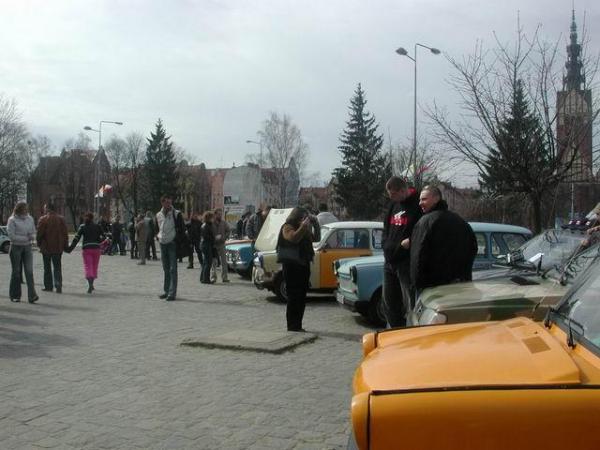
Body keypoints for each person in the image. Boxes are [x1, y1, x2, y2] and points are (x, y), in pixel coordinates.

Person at [410, 185, 478, 292]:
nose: (420, 203)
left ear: (436, 199)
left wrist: (416, 284)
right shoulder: (460, 221)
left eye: (424, 199)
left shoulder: (425, 222)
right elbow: (473, 248)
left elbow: (417, 256)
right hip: (460, 285)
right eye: (420, 200)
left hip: (432, 286)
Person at [381, 177, 422, 328]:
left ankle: (411, 333)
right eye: (390, 194)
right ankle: (395, 331)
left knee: (410, 304)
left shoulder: (417, 204)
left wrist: (406, 244)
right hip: (389, 261)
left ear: (403, 190)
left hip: (405, 263)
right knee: (389, 303)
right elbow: (386, 228)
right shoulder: (393, 205)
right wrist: (385, 245)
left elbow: (421, 230)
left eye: (393, 194)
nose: (391, 197)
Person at [276, 207, 319, 332]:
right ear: (297, 217)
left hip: (303, 266)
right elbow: (293, 238)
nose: (305, 219)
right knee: (293, 297)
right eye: (303, 217)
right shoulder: (287, 227)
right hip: (291, 267)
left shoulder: (303, 228)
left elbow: (316, 238)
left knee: (301, 296)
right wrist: (303, 226)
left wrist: (315, 224)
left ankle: (298, 325)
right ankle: (292, 326)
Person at [66, 212, 106, 294]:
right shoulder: (98, 226)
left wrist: (70, 249)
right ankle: (92, 284)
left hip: (87, 249)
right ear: (93, 218)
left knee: (88, 266)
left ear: (85, 218)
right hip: (96, 249)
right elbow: (104, 237)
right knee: (94, 266)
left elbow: (76, 238)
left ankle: (90, 284)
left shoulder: (82, 226)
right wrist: (98, 241)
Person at [7, 201, 39, 303]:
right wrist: (25, 238)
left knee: (29, 271)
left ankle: (32, 296)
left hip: (27, 247)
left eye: (26, 209)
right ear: (19, 209)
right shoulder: (12, 220)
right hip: (15, 247)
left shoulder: (30, 219)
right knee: (16, 272)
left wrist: (32, 236)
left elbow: (33, 231)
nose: (26, 210)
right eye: (24, 209)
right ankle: (15, 295)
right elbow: (12, 236)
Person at [156, 195, 185, 301]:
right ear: (162, 203)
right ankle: (166, 290)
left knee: (173, 269)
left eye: (170, 202)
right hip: (162, 243)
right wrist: (158, 236)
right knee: (166, 268)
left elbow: (182, 228)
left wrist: (176, 240)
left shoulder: (176, 214)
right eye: (167, 202)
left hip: (172, 243)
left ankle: (172, 293)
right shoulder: (158, 215)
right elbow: (157, 228)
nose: (169, 204)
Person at [36, 203, 69, 293]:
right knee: (57, 267)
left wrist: (39, 244)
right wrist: (65, 245)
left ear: (48, 209)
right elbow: (65, 234)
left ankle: (48, 286)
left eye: (45, 208)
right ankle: (58, 285)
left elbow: (39, 234)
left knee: (47, 268)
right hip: (58, 247)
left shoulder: (43, 219)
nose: (44, 210)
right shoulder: (61, 219)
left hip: (46, 247)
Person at [212, 208, 231, 282]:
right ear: (215, 214)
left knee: (224, 261)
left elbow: (228, 231)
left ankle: (224, 277)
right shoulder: (212, 223)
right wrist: (214, 237)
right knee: (214, 262)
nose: (220, 215)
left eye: (221, 214)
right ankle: (213, 277)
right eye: (218, 214)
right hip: (214, 244)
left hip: (222, 244)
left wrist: (224, 237)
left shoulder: (224, 223)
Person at [200, 210, 215, 284]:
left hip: (204, 244)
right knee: (208, 262)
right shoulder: (206, 225)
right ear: (209, 218)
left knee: (205, 262)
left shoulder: (205, 225)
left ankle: (202, 278)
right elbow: (206, 236)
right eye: (212, 217)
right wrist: (214, 238)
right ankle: (206, 279)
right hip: (206, 245)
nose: (213, 219)